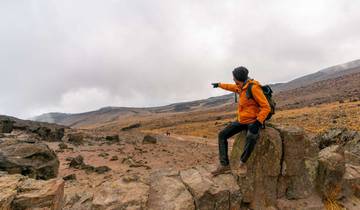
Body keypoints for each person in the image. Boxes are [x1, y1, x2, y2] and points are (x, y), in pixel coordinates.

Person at [211, 66, 271, 176]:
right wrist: (219, 85)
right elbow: (230, 87)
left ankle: (243, 163)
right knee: (222, 135)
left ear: (238, 78)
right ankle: (224, 165)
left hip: (253, 120)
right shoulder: (241, 86)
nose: (233, 80)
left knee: (251, 138)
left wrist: (258, 123)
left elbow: (266, 107)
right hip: (242, 120)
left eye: (234, 78)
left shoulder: (253, 88)